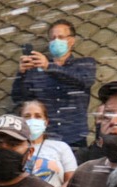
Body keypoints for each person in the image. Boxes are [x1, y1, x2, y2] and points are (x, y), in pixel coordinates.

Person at [12, 18, 98, 153]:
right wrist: (21, 74)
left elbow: (83, 81)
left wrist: (49, 66)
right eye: (53, 38)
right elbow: (19, 98)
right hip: (44, 137)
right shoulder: (35, 70)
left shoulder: (85, 64)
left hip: (74, 137)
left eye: (61, 37)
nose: (56, 41)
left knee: (74, 172)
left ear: (72, 41)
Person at [19, 99, 79, 187]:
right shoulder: (13, 148)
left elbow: (71, 181)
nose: (32, 120)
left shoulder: (61, 147)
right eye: (27, 116)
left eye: (38, 116)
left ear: (46, 122)